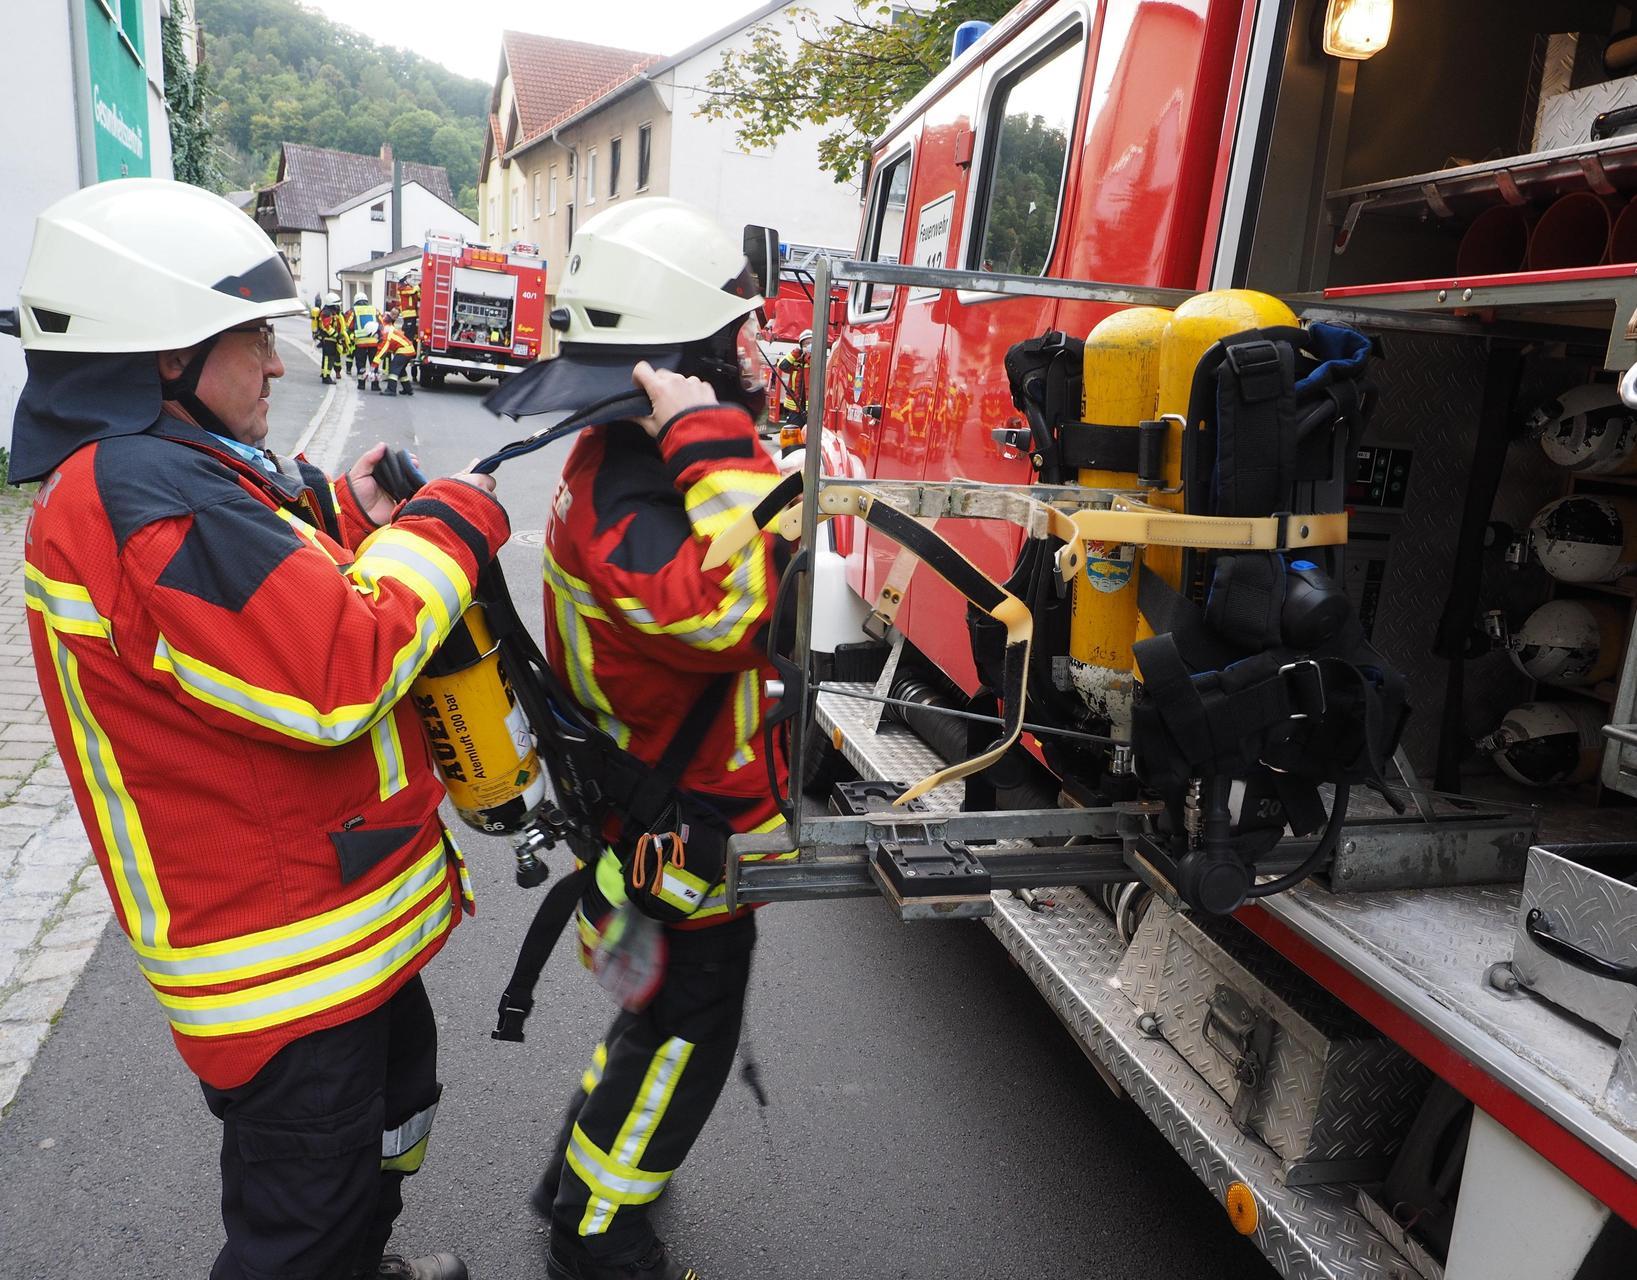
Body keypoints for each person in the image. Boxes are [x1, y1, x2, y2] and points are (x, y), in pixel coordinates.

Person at [7, 178, 510, 1280]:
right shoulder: (148, 495)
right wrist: (453, 524)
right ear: (163, 359)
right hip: (287, 966)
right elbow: (336, 666)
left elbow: (252, 563)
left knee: (385, 1132)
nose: (280, 364)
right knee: (299, 1231)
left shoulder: (162, 472)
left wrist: (343, 509)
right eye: (251, 339)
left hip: (333, 932)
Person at [496, 197, 786, 1280]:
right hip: (683, 825)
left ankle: (573, 1176)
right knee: (682, 1035)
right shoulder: (645, 485)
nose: (756, 351)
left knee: (651, 1018)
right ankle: (597, 1228)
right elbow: (740, 606)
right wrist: (710, 434)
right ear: (683, 359)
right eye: (737, 334)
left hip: (645, 807)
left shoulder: (628, 462)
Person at [774, 329, 812, 425]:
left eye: (811, 343)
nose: (808, 346)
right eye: (805, 344)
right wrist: (795, 353)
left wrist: (808, 357)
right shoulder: (796, 361)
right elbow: (782, 365)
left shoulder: (819, 359)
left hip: (812, 410)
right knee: (793, 434)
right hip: (796, 407)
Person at [347, 290, 382, 389]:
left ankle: (361, 384)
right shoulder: (375, 310)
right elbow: (381, 323)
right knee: (374, 364)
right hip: (374, 342)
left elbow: (348, 325)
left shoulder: (353, 310)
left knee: (361, 364)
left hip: (360, 343)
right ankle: (375, 385)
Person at [375, 314, 418, 396]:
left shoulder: (385, 334)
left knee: (393, 368)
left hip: (404, 350)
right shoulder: (388, 329)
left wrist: (374, 364)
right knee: (401, 370)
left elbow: (382, 350)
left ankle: (391, 390)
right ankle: (408, 389)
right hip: (408, 349)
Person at [316, 290, 347, 384]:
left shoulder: (330, 312)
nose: (339, 307)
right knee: (327, 358)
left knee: (329, 358)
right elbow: (326, 327)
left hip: (330, 339)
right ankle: (326, 377)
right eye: (337, 305)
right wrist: (337, 335)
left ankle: (324, 374)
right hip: (328, 339)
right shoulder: (327, 313)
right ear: (332, 304)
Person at [397, 269, 421, 343]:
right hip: (408, 315)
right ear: (403, 278)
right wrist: (420, 285)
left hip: (412, 315)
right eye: (408, 276)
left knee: (412, 335)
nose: (410, 278)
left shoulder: (408, 287)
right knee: (408, 336)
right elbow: (412, 291)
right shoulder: (402, 287)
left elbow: (418, 297)